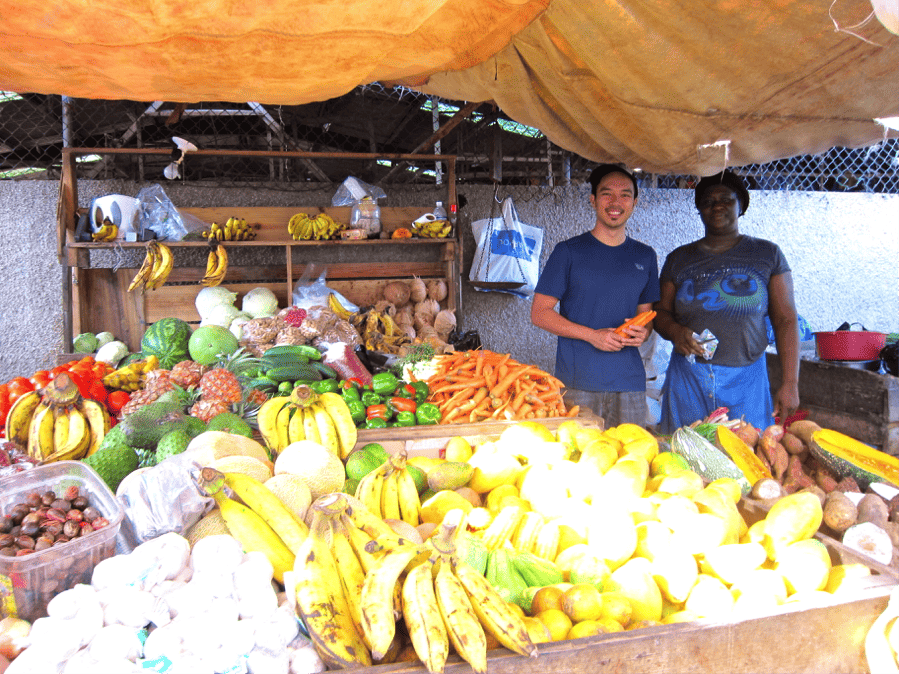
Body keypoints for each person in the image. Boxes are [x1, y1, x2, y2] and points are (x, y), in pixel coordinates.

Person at [653, 170, 800, 433]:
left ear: (741, 205)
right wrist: (676, 332)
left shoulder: (767, 254)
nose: (717, 205)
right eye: (707, 201)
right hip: (689, 378)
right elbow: (661, 312)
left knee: (747, 461)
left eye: (726, 199)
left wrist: (791, 382)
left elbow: (785, 319)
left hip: (747, 381)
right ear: (699, 209)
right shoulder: (679, 259)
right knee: (684, 461)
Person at [531, 164, 660, 427]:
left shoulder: (645, 256)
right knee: (581, 459)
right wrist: (593, 335)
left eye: (625, 195)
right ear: (593, 200)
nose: (615, 202)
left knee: (631, 455)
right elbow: (539, 314)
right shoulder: (568, 252)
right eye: (606, 194)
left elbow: (645, 316)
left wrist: (642, 332)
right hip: (579, 382)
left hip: (630, 382)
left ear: (634, 203)